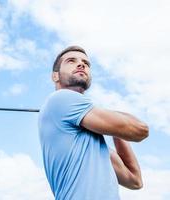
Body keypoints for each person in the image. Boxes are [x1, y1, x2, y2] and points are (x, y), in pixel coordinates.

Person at [38, 46, 149, 200]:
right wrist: (113, 119)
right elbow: (140, 130)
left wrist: (113, 126)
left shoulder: (97, 148)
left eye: (86, 63)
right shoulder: (61, 98)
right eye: (71, 61)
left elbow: (135, 181)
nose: (81, 64)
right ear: (55, 76)